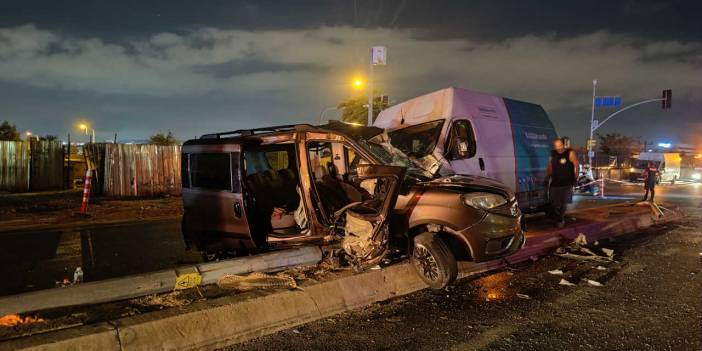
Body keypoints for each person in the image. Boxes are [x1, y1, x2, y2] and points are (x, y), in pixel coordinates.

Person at [546, 138, 579, 228]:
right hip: (555, 182)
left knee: (564, 203)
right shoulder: (553, 153)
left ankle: (560, 219)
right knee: (553, 203)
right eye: (556, 146)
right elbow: (550, 165)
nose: (558, 148)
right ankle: (558, 217)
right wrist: (547, 176)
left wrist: (576, 178)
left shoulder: (570, 153)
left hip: (567, 183)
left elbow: (576, 164)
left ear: (563, 145)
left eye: (560, 145)